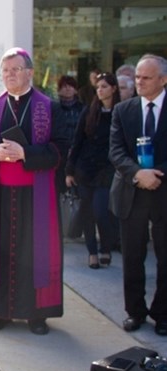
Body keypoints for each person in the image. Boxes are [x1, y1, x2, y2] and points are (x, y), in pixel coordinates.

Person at [0, 47, 69, 335]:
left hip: (37, 197)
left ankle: (37, 314)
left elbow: (61, 149)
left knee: (35, 254)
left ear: (30, 72)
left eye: (15, 69)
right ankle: (0, 311)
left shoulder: (49, 107)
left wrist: (26, 153)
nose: (10, 75)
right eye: (6, 70)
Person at [109, 54, 167, 336]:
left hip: (163, 191)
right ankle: (135, 311)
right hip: (132, 191)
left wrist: (156, 174)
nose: (139, 82)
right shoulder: (124, 110)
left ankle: (163, 313)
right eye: (137, 77)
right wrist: (138, 174)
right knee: (132, 256)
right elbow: (116, 151)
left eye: (146, 77)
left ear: (163, 79)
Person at [66, 72, 120, 270]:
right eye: (98, 87)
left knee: (101, 211)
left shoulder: (121, 111)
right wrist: (69, 171)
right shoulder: (89, 111)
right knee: (87, 212)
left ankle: (105, 247)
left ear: (114, 89)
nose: (100, 90)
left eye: (105, 86)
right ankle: (92, 252)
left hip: (107, 170)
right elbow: (77, 141)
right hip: (85, 169)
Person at [56, 75, 84, 196]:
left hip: (77, 151)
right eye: (64, 86)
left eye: (71, 86)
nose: (67, 89)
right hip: (59, 151)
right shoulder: (54, 108)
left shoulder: (83, 109)